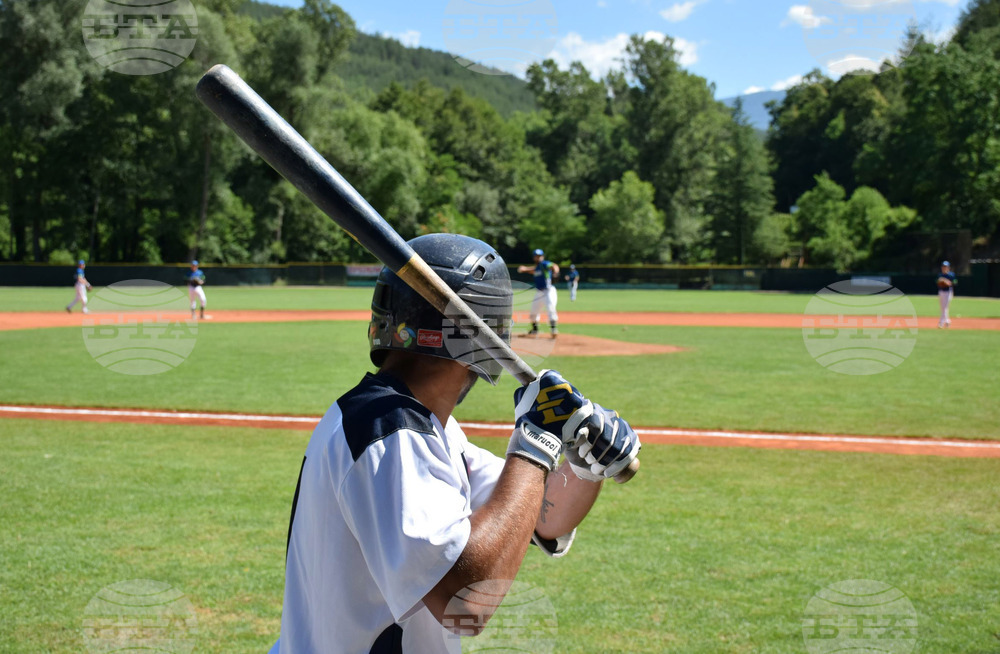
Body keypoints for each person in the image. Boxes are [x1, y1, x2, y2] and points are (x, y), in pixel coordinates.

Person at [271, 234, 640, 654]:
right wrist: (536, 442)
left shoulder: (414, 425)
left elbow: (540, 515)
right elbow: (466, 604)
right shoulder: (391, 432)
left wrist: (582, 464)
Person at [517, 248, 559, 337]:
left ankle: (553, 329)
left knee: (551, 308)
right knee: (534, 311)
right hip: (539, 292)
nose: (538, 257)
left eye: (540, 256)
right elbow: (533, 270)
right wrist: (524, 269)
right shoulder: (537, 268)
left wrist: (555, 273)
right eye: (536, 256)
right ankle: (535, 329)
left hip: (548, 291)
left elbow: (554, 266)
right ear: (534, 257)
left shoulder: (544, 264)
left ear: (542, 257)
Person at [937, 260, 957, 329]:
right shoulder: (940, 275)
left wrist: (949, 282)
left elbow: (955, 282)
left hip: (948, 292)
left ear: (948, 267)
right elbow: (937, 282)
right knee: (942, 307)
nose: (944, 267)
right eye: (943, 266)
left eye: (946, 266)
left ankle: (941, 323)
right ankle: (947, 321)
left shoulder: (951, 275)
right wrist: (941, 280)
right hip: (941, 292)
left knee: (945, 307)